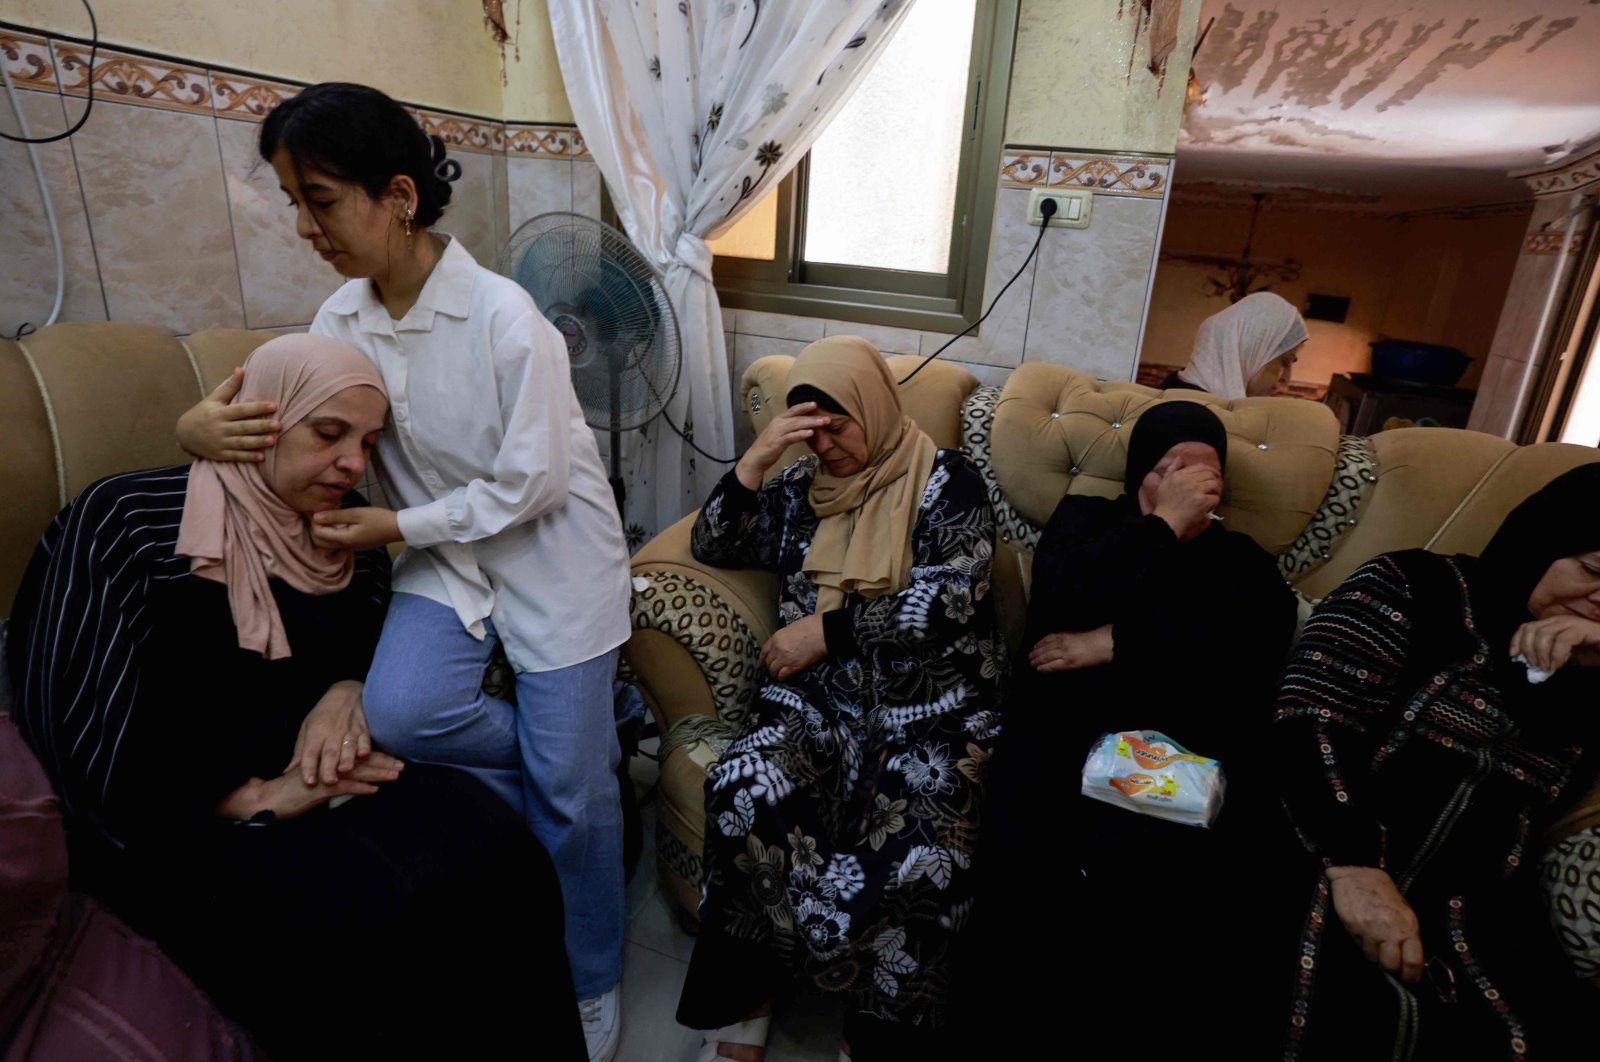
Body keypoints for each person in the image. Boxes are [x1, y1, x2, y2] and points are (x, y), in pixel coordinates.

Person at [174, 83, 632, 1059]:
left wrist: (395, 523)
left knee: (569, 794)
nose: (304, 226)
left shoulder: (509, 320)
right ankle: (582, 765)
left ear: (398, 195)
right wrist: (191, 426)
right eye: (293, 201)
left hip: (552, 555)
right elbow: (282, 424)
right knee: (411, 717)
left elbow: (534, 482)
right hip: (439, 554)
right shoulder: (339, 317)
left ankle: (589, 970)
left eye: (321, 199)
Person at [7, 335, 583, 1060]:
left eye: (369, 443)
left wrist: (349, 689)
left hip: (331, 779)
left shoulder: (349, 533)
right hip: (177, 824)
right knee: (368, 923)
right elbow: (65, 729)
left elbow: (375, 642)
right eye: (329, 433)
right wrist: (249, 801)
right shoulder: (126, 524)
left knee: (504, 858)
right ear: (258, 422)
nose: (352, 464)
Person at [676, 336, 1006, 1062]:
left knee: (928, 854)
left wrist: (825, 631)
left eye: (838, 423)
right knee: (742, 790)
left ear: (874, 406)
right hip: (815, 707)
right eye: (809, 428)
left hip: (933, 712)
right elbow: (713, 543)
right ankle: (747, 1002)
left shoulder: (949, 480)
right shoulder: (798, 488)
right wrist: (756, 462)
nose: (825, 443)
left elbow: (949, 599)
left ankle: (875, 1034)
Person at [968, 399, 1297, 1053]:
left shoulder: (1242, 562)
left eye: (1204, 471)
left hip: (1184, 749)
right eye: (1170, 466)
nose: (1188, 481)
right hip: (1068, 739)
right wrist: (1164, 527)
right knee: (1041, 844)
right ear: (1140, 473)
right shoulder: (1089, 522)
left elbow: (1251, 657)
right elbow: (1059, 604)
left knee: (1186, 869)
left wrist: (1119, 643)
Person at [1270, 463, 1600, 1060]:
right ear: (1540, 542)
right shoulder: (1416, 585)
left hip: (1479, 915)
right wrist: (1356, 868)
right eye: (1593, 567)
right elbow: (1309, 718)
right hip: (1317, 850)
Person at [1163, 290, 1309, 398]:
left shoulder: (1178, 393)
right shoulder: (1195, 416)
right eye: (1284, 362)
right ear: (1251, 351)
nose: (1286, 379)